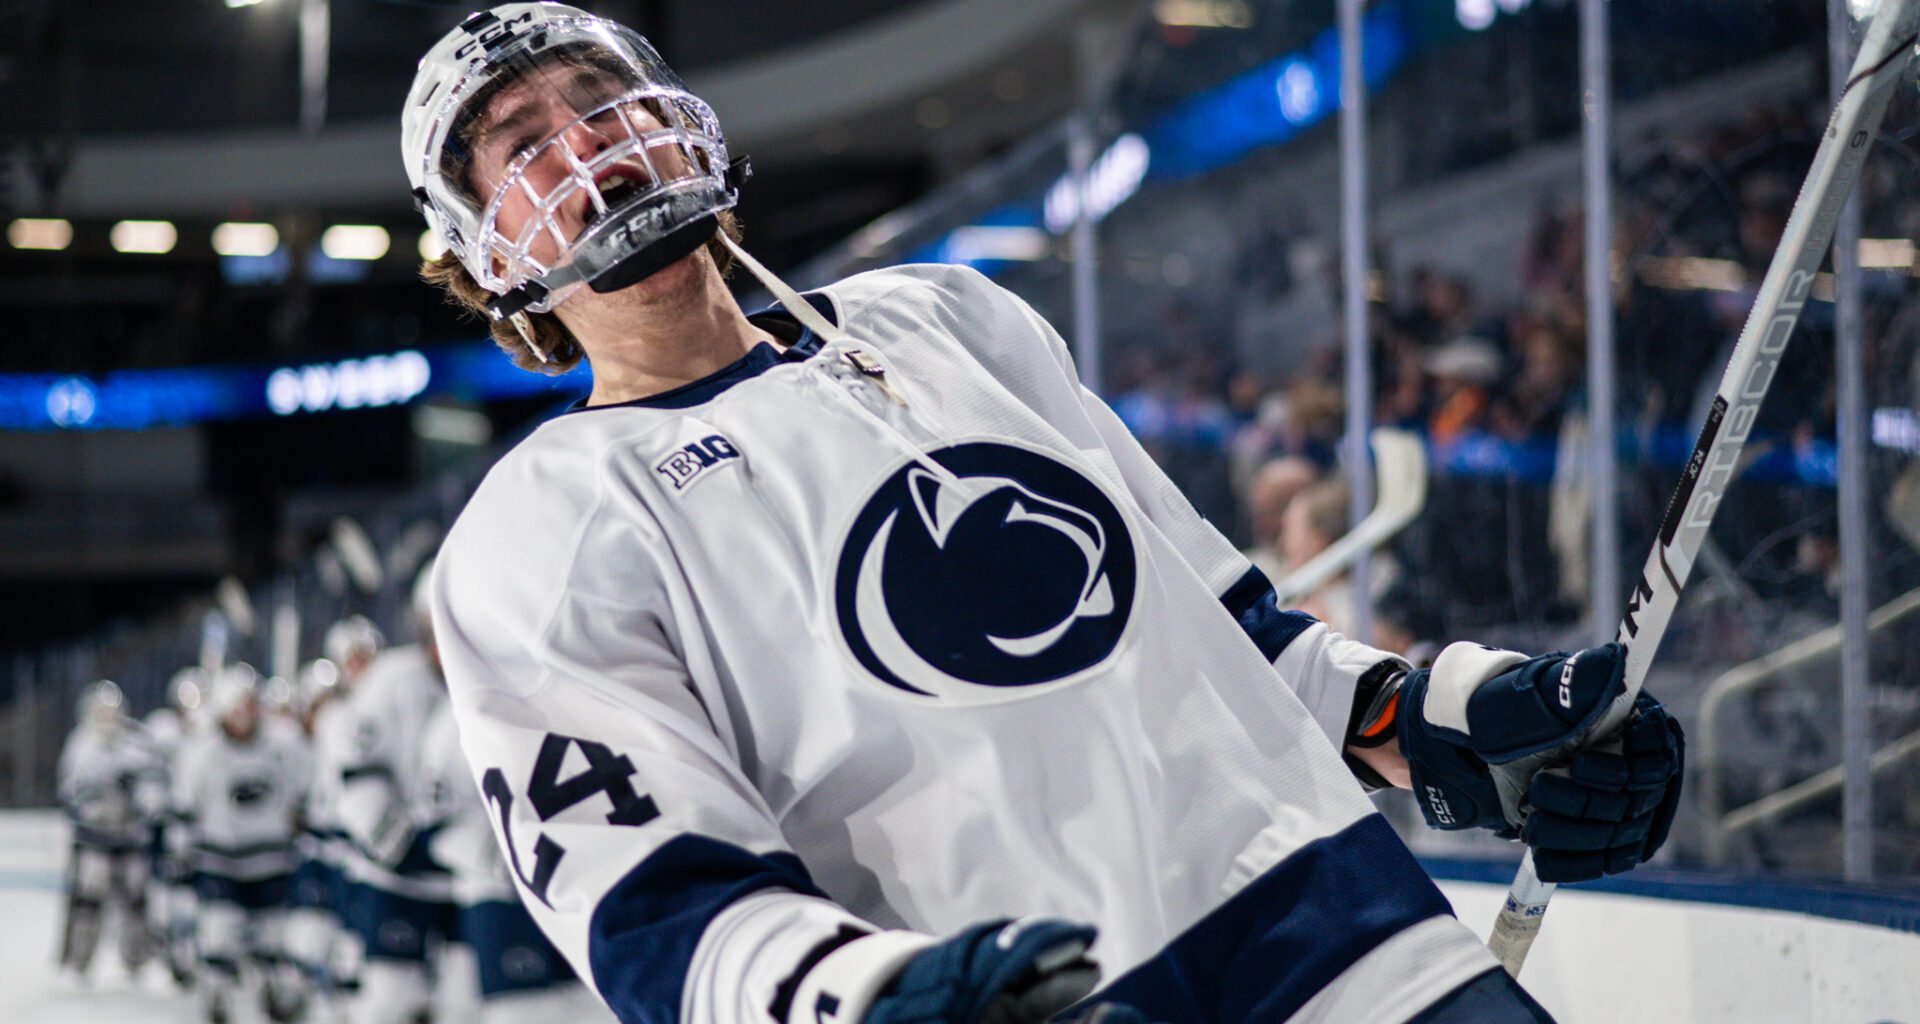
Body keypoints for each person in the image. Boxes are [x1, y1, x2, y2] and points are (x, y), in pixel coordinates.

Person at [406, 6, 1685, 1023]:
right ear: (477, 265)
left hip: (1342, 930)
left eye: (601, 94)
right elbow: (652, 899)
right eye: (523, 142)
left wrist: (1443, 720)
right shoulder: (542, 531)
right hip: (1043, 994)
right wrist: (878, 995)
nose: (590, 144)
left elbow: (1219, 624)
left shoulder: (951, 319)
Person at [173, 665, 313, 1023]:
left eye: (250, 706)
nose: (244, 715)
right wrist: (182, 854)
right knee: (218, 938)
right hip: (220, 863)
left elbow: (304, 796)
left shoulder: (283, 749)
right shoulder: (203, 755)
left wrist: (301, 826)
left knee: (273, 940)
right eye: (237, 707)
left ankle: (273, 994)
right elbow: (185, 807)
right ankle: (218, 1000)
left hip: (271, 862)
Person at [55, 679, 167, 984]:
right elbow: (69, 792)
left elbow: (153, 788)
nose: (108, 718)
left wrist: (143, 801)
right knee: (87, 904)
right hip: (93, 841)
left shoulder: (135, 744)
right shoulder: (81, 746)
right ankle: (77, 962)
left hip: (130, 840)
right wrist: (96, 804)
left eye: (112, 712)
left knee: (136, 902)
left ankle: (137, 960)